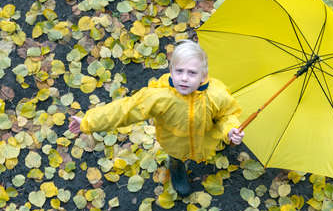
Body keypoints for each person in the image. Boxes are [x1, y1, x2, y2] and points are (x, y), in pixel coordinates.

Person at [69, 39, 244, 197]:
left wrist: (230, 129)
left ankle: (217, 144)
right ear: (171, 70)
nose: (184, 78)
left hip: (206, 137)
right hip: (175, 142)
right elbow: (124, 110)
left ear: (203, 75)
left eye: (192, 73)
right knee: (176, 157)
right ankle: (176, 169)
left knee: (214, 145)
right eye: (179, 71)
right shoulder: (159, 96)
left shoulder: (216, 94)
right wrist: (88, 121)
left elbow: (227, 114)